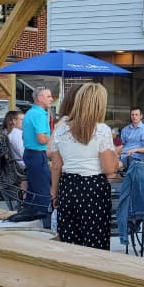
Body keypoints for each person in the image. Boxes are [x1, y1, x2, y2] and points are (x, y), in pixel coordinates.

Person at [50, 83, 121, 250]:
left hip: (68, 186)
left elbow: (56, 166)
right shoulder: (102, 130)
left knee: (69, 241)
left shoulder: (61, 130)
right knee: (95, 242)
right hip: (93, 188)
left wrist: (54, 193)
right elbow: (110, 169)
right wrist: (115, 157)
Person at [21, 86, 54, 227]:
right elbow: (41, 139)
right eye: (49, 96)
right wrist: (55, 135)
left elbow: (25, 137)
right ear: (39, 98)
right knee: (43, 192)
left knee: (33, 191)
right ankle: (46, 225)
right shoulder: (39, 114)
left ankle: (31, 221)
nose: (52, 99)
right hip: (37, 155)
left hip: (29, 154)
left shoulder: (29, 113)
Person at [0, 112, 26, 206]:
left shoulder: (4, 135)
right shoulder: (16, 134)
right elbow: (23, 154)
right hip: (12, 174)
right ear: (13, 121)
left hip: (3, 175)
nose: (25, 122)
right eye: (22, 120)